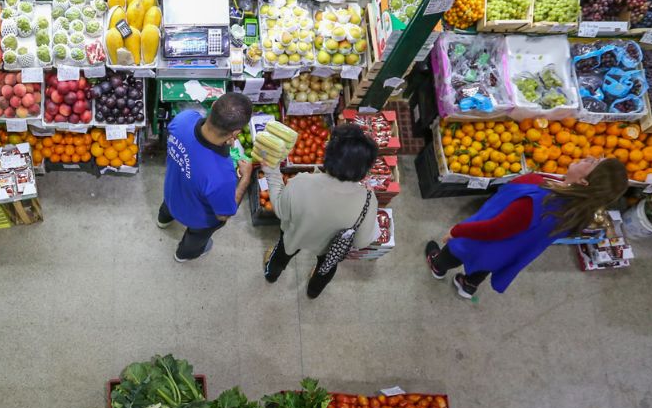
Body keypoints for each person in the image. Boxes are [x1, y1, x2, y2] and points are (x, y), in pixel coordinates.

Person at [425, 157, 629, 299]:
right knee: (484, 266)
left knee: (454, 252)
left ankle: (438, 266)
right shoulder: (579, 212)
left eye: (592, 163)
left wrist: (457, 231)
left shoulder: (537, 201)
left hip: (480, 242)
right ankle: (468, 285)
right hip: (506, 254)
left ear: (584, 182)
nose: (589, 157)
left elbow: (493, 229)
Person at [260, 123, 379, 299]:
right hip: (328, 249)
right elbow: (361, 242)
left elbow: (280, 211)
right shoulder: (368, 201)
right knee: (326, 269)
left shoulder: (301, 183)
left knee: (281, 255)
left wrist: (272, 173)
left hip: (295, 236)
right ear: (365, 170)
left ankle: (272, 276)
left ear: (328, 156)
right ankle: (314, 291)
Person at [157, 93, 255, 262]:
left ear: (214, 104)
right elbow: (223, 215)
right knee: (197, 238)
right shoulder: (222, 176)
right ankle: (184, 254)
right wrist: (245, 179)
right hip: (196, 218)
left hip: (171, 193)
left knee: (167, 208)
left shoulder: (183, 119)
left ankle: (163, 221)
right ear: (236, 133)